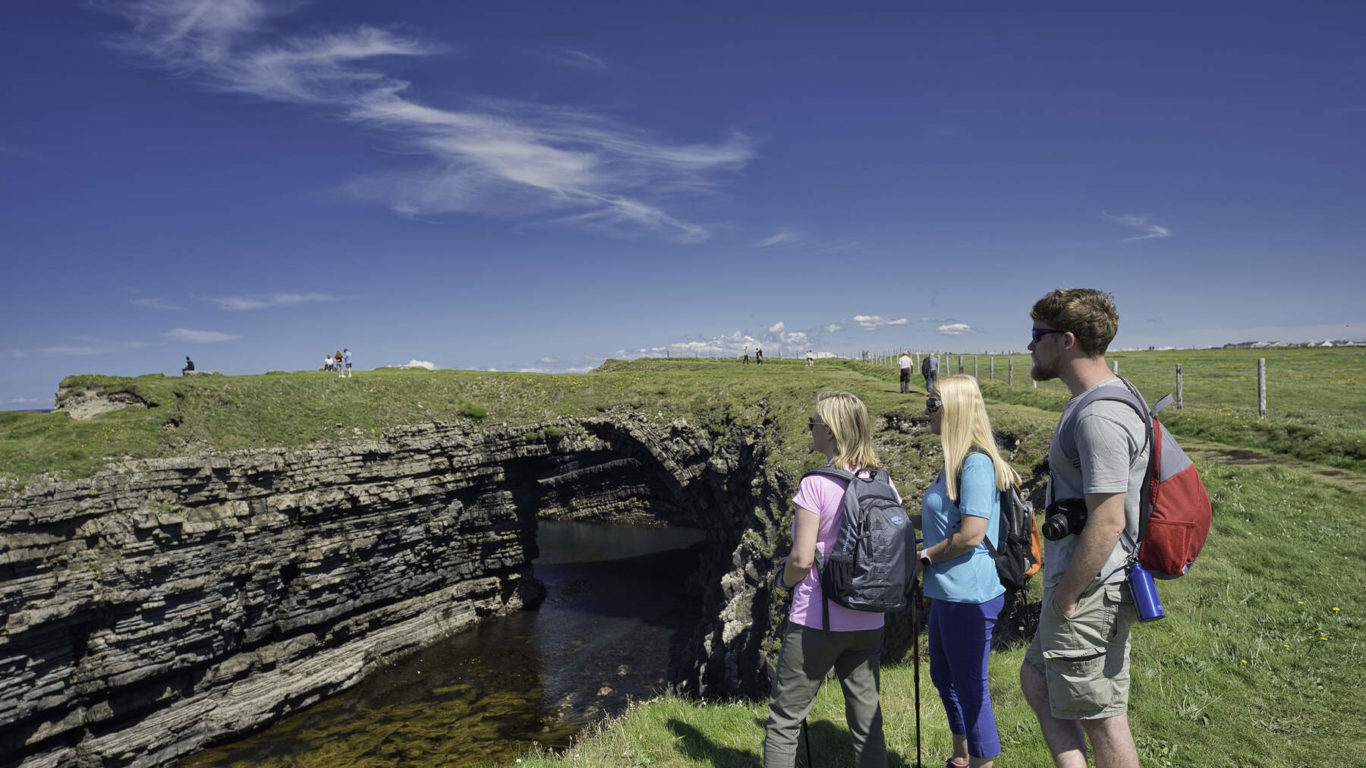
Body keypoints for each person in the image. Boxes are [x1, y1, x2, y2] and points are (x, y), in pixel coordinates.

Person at [1020, 289, 1144, 768]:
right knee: (1037, 680)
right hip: (1083, 587)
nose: (1029, 346)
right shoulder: (1096, 400)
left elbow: (1109, 519)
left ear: (1066, 340)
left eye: (1037, 336)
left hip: (1091, 589)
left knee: (1100, 716)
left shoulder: (1100, 416)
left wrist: (1068, 595)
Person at [764, 391, 895, 768]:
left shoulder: (815, 484)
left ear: (833, 431)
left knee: (785, 720)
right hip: (870, 617)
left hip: (818, 620)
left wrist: (783, 582)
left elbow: (802, 558)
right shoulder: (884, 483)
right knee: (867, 719)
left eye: (815, 423)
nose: (810, 429)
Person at [917, 375, 1019, 768]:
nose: (926, 411)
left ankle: (981, 763)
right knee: (944, 678)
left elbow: (972, 535)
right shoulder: (953, 463)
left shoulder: (975, 463)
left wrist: (925, 556)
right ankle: (962, 756)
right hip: (946, 592)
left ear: (954, 410)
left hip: (970, 595)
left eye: (932, 404)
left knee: (972, 688)